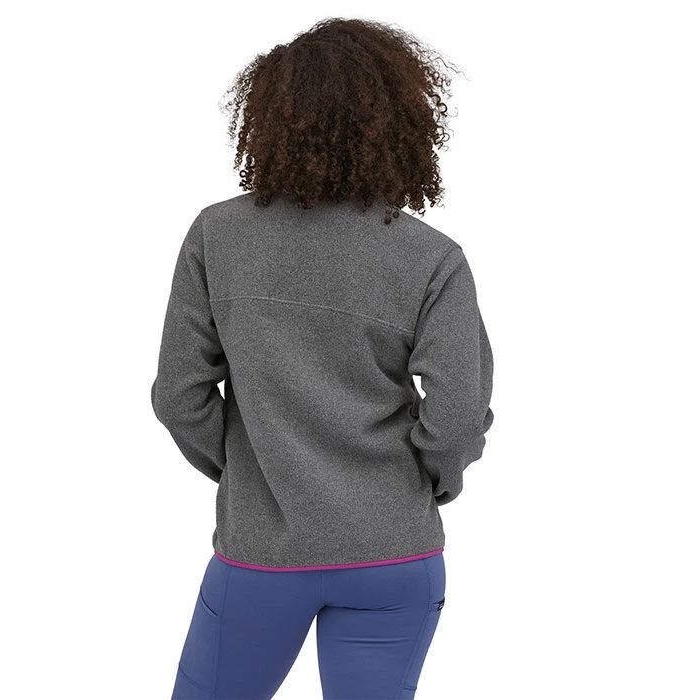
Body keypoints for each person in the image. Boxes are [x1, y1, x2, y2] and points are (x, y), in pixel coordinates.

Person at [151, 16, 495, 700]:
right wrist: (429, 484)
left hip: (261, 554)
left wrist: (254, 470)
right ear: (400, 123)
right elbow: (458, 415)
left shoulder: (217, 235)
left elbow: (179, 396)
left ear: (269, 118)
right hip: (394, 553)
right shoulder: (432, 258)